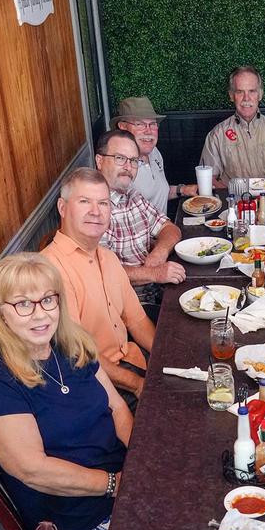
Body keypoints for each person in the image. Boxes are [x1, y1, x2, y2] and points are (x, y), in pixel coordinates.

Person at [0, 254, 132, 530]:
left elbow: (117, 406)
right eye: (23, 304)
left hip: (124, 481)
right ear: (1, 313)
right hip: (77, 523)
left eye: (48, 300)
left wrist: (140, 461)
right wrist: (115, 484)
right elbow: (33, 470)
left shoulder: (70, 345)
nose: (40, 315)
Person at [42, 167, 155, 407]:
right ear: (63, 208)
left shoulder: (108, 257)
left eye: (103, 203)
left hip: (133, 361)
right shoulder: (49, 269)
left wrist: (166, 360)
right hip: (98, 383)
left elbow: (137, 321)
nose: (96, 212)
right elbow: (78, 352)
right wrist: (137, 384)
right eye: (84, 201)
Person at [95, 129, 185, 321]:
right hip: (128, 310)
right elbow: (102, 274)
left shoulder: (131, 196)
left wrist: (159, 252)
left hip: (158, 294)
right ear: (99, 161)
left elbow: (170, 228)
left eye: (134, 161)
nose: (128, 167)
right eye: (120, 158)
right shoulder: (95, 210)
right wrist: (154, 273)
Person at [200, 66, 265, 187]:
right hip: (233, 202)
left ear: (260, 94)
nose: (246, 98)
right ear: (231, 95)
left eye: (252, 91)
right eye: (240, 92)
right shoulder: (217, 135)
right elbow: (209, 178)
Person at [111, 96, 197, 214]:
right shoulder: (121, 166)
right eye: (140, 124)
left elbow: (156, 193)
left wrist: (182, 190)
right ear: (123, 127)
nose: (148, 130)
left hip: (163, 228)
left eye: (152, 124)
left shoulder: (154, 152)